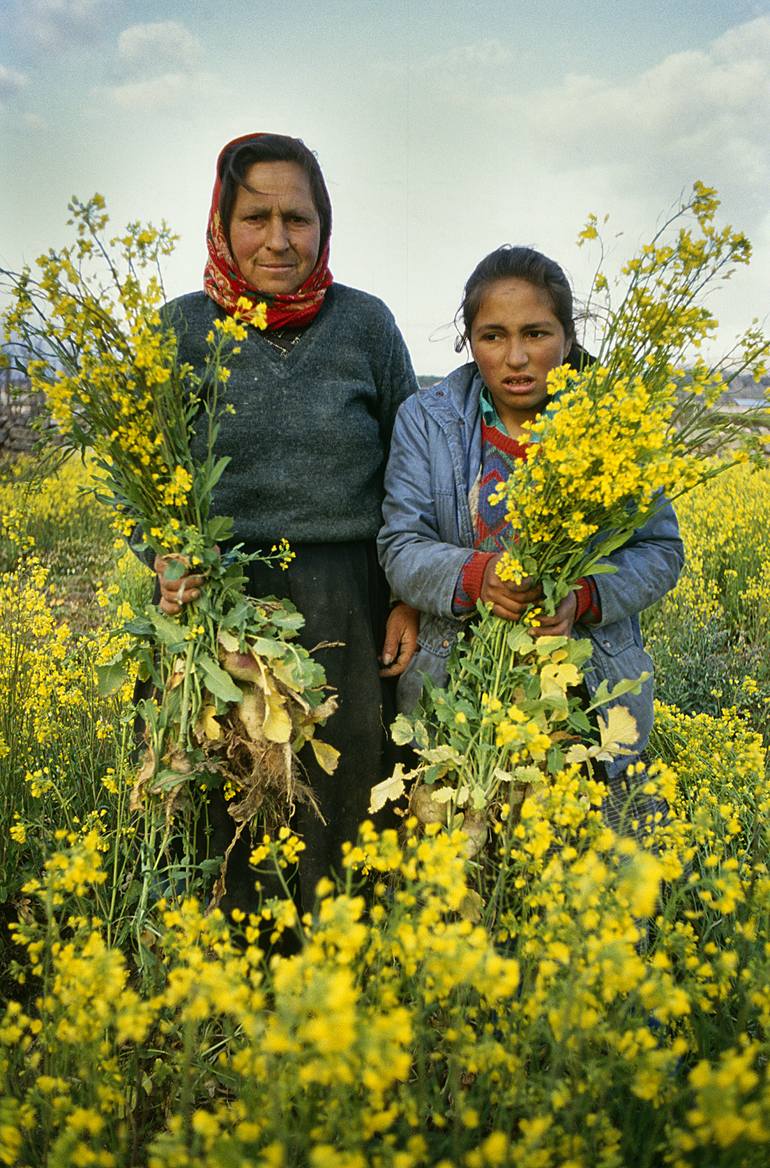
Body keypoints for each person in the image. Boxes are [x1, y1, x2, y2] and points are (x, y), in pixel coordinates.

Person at [155, 131, 419, 909]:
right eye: (255, 216)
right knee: (232, 788)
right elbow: (149, 479)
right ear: (220, 222)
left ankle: (341, 972)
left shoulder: (366, 326)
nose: (278, 238)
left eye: (297, 218)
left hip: (350, 596)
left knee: (348, 787)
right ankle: (243, 968)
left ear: (324, 224)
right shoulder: (178, 330)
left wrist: (405, 594)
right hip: (223, 601)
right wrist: (166, 565)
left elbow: (411, 467)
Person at [377, 245, 684, 829]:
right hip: (460, 697)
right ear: (468, 341)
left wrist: (582, 598)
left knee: (587, 887)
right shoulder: (428, 418)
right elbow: (400, 545)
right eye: (492, 336)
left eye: (537, 333)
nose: (516, 357)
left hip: (585, 697)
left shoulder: (614, 424)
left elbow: (662, 551)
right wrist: (478, 577)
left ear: (567, 339)